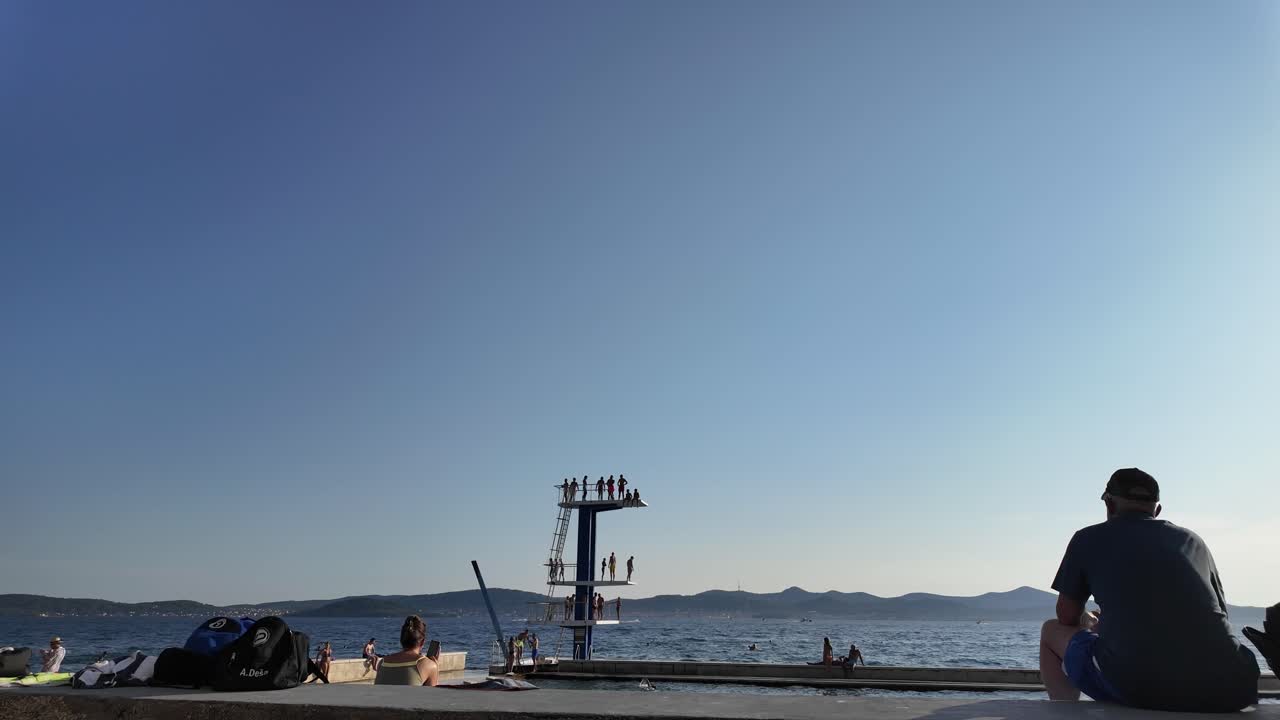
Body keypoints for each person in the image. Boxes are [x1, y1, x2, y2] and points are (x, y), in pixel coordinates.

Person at [1039, 468, 1259, 711]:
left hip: (1143, 687)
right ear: (1157, 510)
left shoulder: (1087, 538)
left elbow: (1066, 616)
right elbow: (1219, 614)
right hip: (1234, 686)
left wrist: (1091, 621)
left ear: (1109, 505)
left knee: (1050, 630)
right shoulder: (1193, 541)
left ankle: (1063, 711)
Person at [374, 615, 439, 686]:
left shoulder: (382, 662)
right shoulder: (428, 665)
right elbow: (431, 693)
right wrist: (435, 667)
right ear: (423, 642)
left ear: (401, 640)